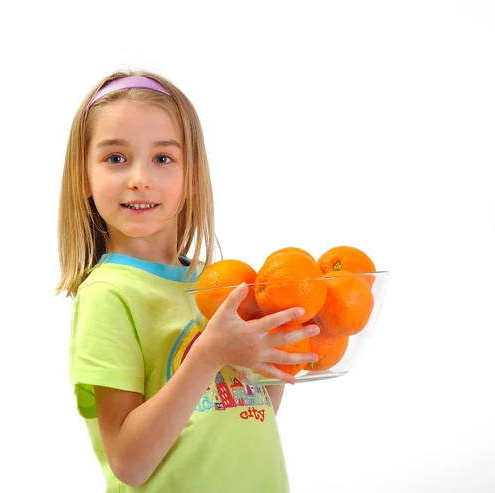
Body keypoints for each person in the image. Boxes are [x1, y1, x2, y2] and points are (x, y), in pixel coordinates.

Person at [55, 69, 320, 492]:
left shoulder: (212, 282)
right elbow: (129, 462)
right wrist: (207, 355)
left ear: (191, 176)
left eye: (163, 158)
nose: (139, 176)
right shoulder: (107, 295)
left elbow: (248, 412)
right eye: (115, 158)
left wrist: (278, 346)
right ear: (83, 176)